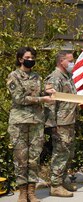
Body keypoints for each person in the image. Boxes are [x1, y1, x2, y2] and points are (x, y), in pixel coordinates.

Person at [7, 47, 53, 202]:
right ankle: (22, 192)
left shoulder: (37, 77)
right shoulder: (13, 76)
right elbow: (19, 99)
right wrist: (41, 99)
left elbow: (38, 95)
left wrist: (47, 94)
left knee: (34, 158)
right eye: (28, 57)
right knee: (20, 158)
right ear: (20, 59)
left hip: (36, 122)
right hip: (19, 123)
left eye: (33, 57)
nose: (31, 59)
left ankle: (32, 192)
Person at [44, 51, 78, 197]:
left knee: (68, 153)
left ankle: (62, 179)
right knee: (60, 153)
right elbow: (50, 102)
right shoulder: (55, 77)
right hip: (60, 123)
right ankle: (55, 185)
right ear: (61, 61)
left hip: (69, 121)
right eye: (70, 61)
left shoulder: (67, 77)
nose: (73, 63)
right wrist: (52, 124)